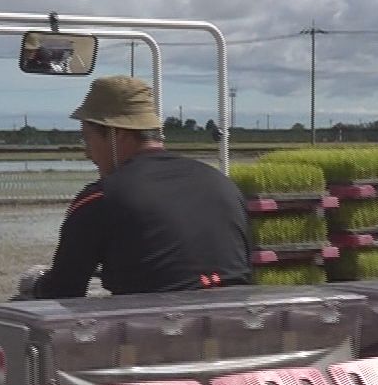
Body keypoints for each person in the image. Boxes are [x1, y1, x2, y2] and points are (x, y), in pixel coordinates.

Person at [23, 76, 253, 299]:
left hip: (151, 332)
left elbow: (63, 291)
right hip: (235, 326)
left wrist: (34, 283)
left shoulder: (101, 198)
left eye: (87, 138)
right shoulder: (223, 185)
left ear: (116, 133)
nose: (87, 152)